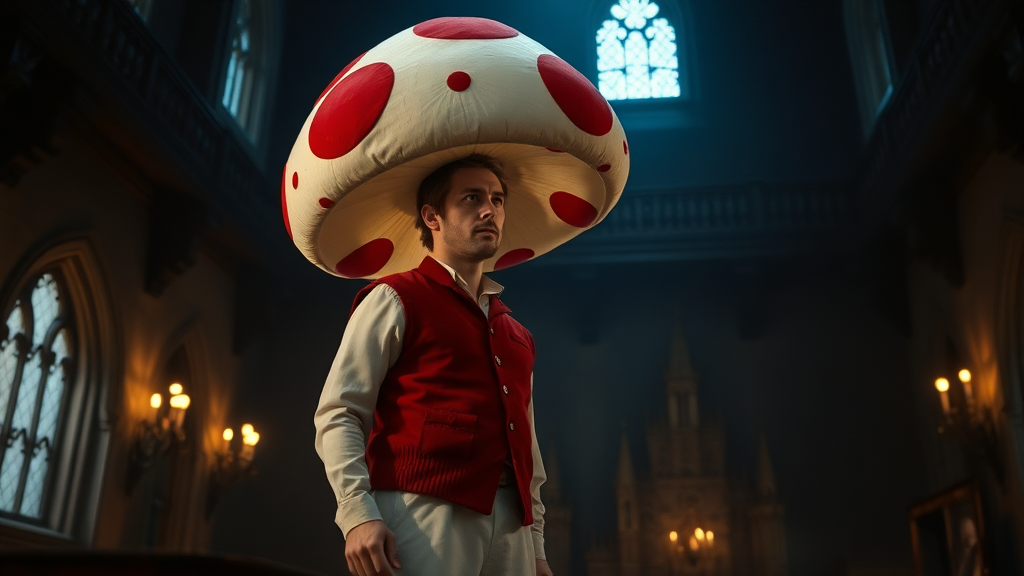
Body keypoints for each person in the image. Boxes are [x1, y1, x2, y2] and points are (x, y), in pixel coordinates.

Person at [314, 154, 553, 576]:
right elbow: (340, 413)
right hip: (423, 513)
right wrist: (357, 514)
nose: (489, 210)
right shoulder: (393, 297)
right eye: (472, 198)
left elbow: (527, 451)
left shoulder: (518, 334)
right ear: (432, 216)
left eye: (497, 200)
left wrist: (536, 548)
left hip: (514, 528)